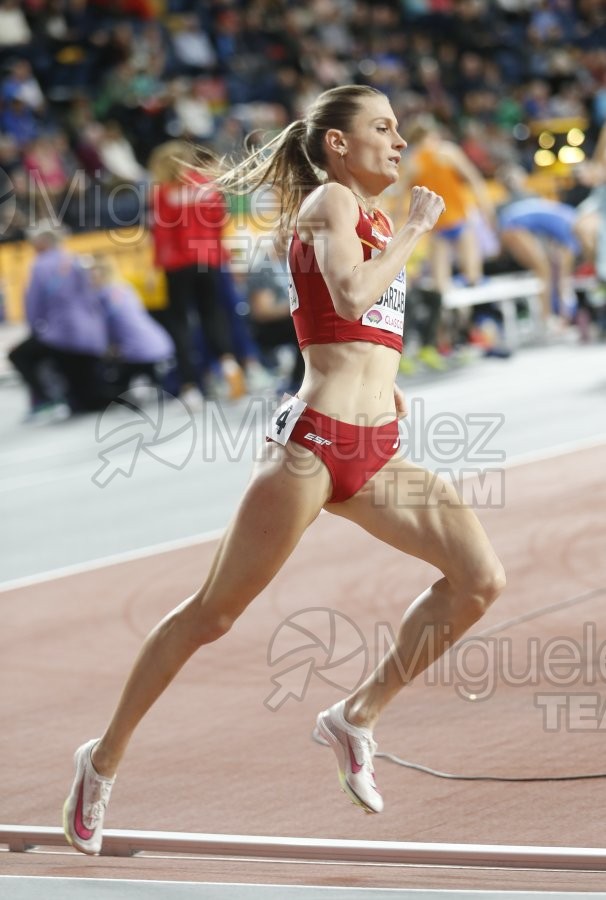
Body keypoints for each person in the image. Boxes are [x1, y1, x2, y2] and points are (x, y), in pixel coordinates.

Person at [63, 85, 505, 855]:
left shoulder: (362, 214)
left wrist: (386, 381)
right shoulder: (332, 203)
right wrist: (416, 230)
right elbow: (351, 290)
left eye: (401, 128)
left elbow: (356, 324)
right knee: (213, 613)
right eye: (382, 128)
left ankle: (356, 716)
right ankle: (99, 763)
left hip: (375, 447)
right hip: (314, 445)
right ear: (338, 144)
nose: (398, 142)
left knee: (478, 581)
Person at [148, 139, 247, 409]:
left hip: (177, 263)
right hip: (208, 260)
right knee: (213, 314)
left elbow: (161, 233)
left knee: (180, 324)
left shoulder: (162, 192)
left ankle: (190, 388)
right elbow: (219, 224)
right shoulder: (206, 185)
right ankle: (229, 366)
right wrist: (225, 259)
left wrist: (154, 266)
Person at [8, 221, 108, 418]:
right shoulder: (75, 260)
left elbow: (34, 305)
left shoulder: (40, 265)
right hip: (91, 334)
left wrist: (36, 328)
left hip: (62, 335)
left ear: (43, 242)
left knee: (19, 355)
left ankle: (45, 399)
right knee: (86, 394)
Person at [89, 254, 175, 396]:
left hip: (139, 353)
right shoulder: (125, 288)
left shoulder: (102, 296)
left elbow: (104, 332)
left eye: (92, 277)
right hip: (162, 343)